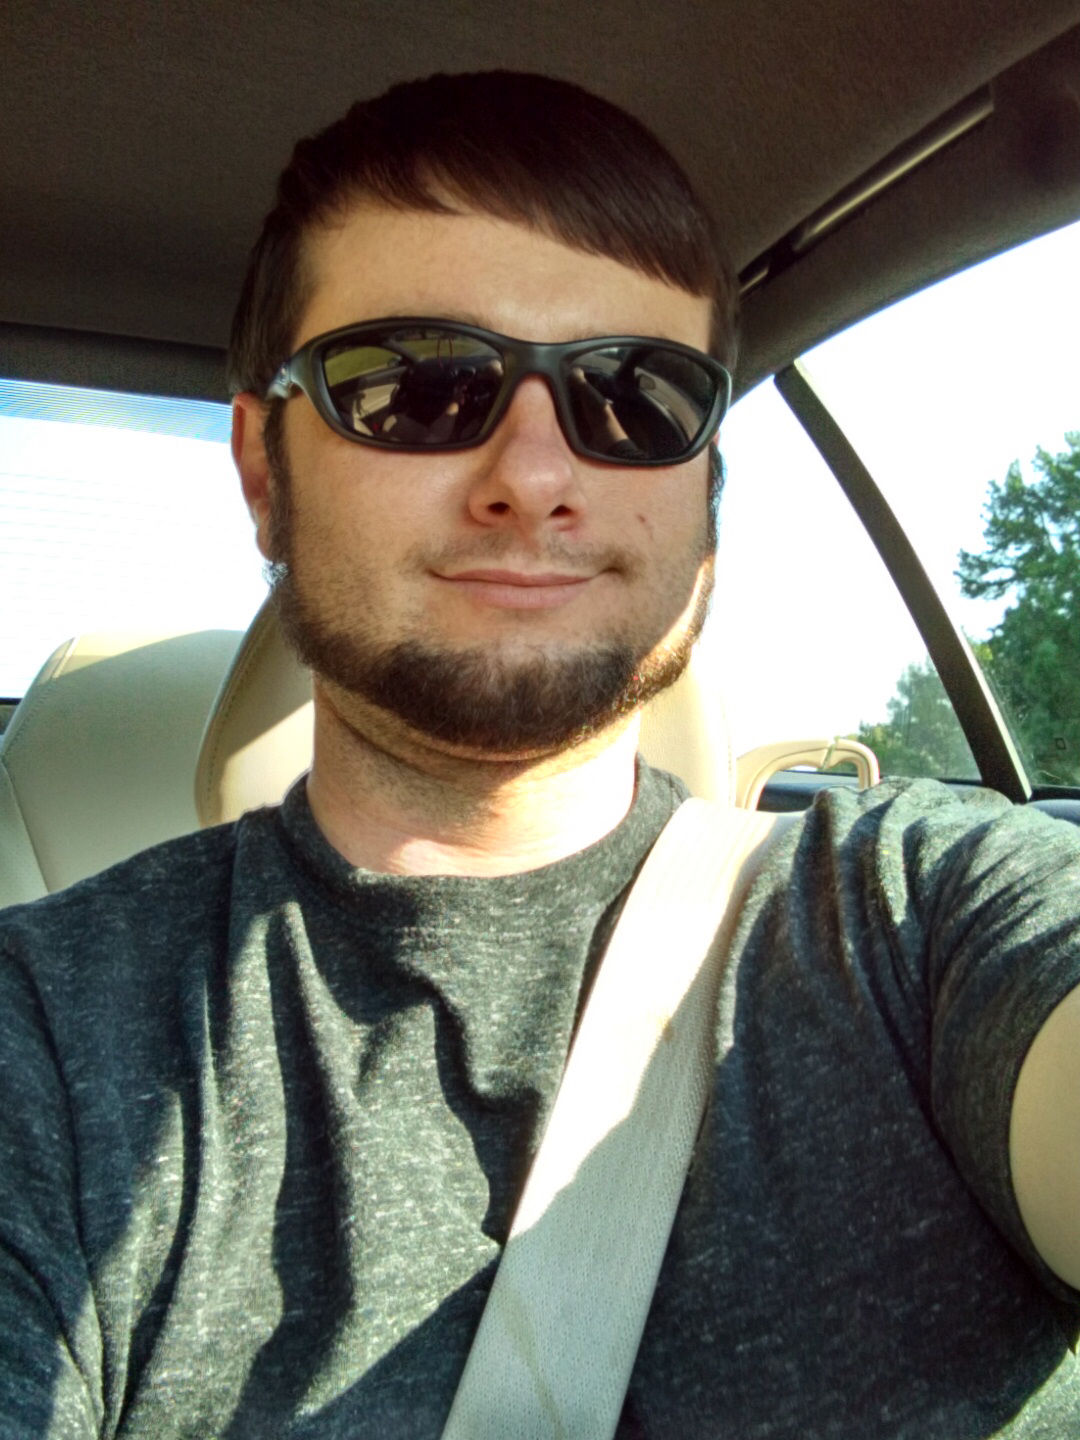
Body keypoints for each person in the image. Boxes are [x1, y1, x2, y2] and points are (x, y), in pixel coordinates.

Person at [1, 69, 1079, 1440]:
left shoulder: (925, 913)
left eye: (634, 398)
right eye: (415, 385)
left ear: (704, 498)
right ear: (265, 469)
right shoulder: (45, 1034)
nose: (535, 475)